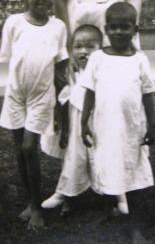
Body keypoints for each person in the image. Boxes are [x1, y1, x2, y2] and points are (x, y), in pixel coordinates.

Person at [0, 0, 68, 230]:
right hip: (16, 95)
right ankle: (30, 200)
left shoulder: (58, 27)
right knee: (19, 151)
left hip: (41, 96)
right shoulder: (13, 23)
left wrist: (61, 105)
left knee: (29, 147)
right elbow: (11, 60)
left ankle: (37, 207)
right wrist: (15, 90)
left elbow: (60, 66)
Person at [81, 2, 155, 237]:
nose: (119, 32)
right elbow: (89, 92)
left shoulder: (140, 60)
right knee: (106, 168)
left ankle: (134, 225)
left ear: (135, 29)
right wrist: (84, 123)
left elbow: (147, 94)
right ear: (106, 29)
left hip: (131, 127)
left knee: (132, 173)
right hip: (105, 127)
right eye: (113, 28)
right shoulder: (97, 58)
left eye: (125, 27)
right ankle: (109, 209)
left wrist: (152, 125)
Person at [41, 24, 128, 215]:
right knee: (74, 157)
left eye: (90, 47)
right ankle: (64, 192)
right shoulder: (69, 73)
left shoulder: (107, 70)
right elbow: (62, 101)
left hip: (101, 125)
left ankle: (119, 195)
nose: (83, 52)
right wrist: (60, 125)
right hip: (76, 126)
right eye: (78, 47)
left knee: (108, 157)